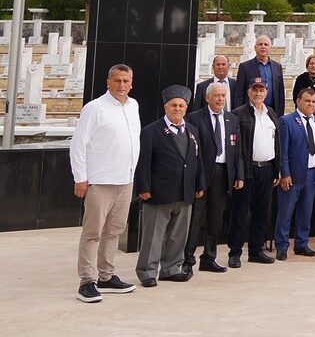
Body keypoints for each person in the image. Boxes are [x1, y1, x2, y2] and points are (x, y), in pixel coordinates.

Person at [69, 63, 141, 303]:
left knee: (114, 232)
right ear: (108, 82)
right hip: (100, 182)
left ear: (131, 83)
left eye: (126, 81)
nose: (122, 86)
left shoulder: (133, 106)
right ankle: (86, 282)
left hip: (125, 180)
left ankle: (106, 276)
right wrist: (80, 177)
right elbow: (78, 144)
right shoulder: (94, 108)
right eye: (117, 81)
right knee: (92, 233)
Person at [134, 86, 205, 287]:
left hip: (185, 191)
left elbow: (196, 159)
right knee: (153, 235)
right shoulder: (151, 131)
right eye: (173, 105)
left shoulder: (192, 131)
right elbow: (144, 162)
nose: (177, 108)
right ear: (165, 107)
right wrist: (143, 187)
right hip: (159, 192)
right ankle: (147, 271)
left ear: (186, 108)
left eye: (181, 105)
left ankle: (172, 268)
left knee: (178, 235)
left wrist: (199, 183)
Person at [184, 81, 244, 277]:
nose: (220, 99)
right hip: (202, 174)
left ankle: (209, 258)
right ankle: (187, 260)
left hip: (224, 173)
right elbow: (192, 151)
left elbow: (238, 150)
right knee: (195, 219)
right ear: (207, 97)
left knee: (215, 218)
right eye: (216, 95)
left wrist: (239, 174)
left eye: (223, 96)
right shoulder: (194, 118)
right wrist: (197, 178)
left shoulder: (232, 119)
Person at [227, 77, 281, 267]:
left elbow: (276, 143)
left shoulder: (271, 114)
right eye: (255, 90)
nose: (258, 93)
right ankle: (234, 252)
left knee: (262, 213)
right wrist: (239, 173)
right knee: (240, 213)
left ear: (266, 92)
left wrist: (277, 169)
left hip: (267, 169)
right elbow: (237, 148)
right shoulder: (238, 114)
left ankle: (256, 250)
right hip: (247, 171)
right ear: (249, 92)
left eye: (262, 90)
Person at [274, 87, 315, 260]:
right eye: (307, 101)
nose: (310, 104)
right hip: (293, 174)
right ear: (298, 101)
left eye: (313, 102)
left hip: (312, 173)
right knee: (286, 212)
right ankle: (282, 246)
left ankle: (301, 244)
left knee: (306, 211)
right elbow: (283, 150)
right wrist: (285, 173)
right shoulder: (286, 121)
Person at [235, 35, 285, 116]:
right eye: (260, 44)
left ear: (270, 48)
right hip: (251, 113)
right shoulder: (245, 67)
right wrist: (240, 114)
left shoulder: (277, 66)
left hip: (272, 112)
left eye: (266, 44)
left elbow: (280, 93)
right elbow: (239, 94)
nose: (263, 47)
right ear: (255, 47)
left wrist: (280, 115)